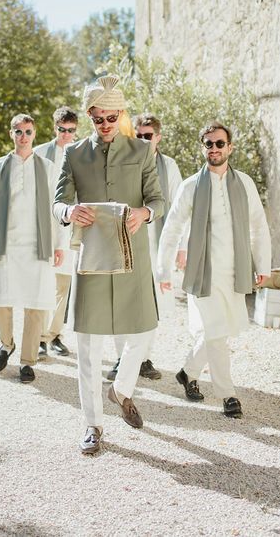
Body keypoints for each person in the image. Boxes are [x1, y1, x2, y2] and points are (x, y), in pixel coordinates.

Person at [53, 75, 164, 454]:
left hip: (135, 256)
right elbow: (57, 203)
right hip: (92, 260)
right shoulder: (74, 154)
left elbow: (158, 200)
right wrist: (69, 211)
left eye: (111, 118)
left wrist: (144, 213)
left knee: (142, 332)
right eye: (98, 118)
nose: (105, 125)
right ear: (89, 117)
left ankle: (121, 389)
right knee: (87, 345)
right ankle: (92, 425)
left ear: (120, 115)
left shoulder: (141, 151)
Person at [157, 121, 271, 418]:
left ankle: (187, 372)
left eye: (220, 143)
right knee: (216, 333)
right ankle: (228, 395)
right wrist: (163, 270)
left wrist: (264, 264)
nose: (215, 148)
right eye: (209, 144)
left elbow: (258, 225)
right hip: (202, 271)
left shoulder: (244, 183)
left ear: (229, 147)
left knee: (222, 329)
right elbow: (172, 228)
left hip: (234, 270)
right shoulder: (191, 185)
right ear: (203, 147)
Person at [0, 114, 64, 383]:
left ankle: (27, 361)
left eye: (27, 132)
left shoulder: (48, 168)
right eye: (18, 132)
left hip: (38, 245)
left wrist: (59, 244)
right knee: (1, 299)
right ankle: (6, 343)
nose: (23, 137)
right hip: (6, 245)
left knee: (35, 305)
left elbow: (56, 209)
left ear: (34, 134)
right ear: (11, 134)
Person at [107, 113, 183, 381]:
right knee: (122, 300)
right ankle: (120, 358)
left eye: (148, 136)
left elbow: (179, 208)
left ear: (158, 138)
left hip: (157, 245)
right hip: (125, 241)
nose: (142, 140)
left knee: (153, 303)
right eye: (138, 135)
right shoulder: (120, 162)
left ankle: (143, 358)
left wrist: (181, 247)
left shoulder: (169, 166)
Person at [33, 106, 79, 358]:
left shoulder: (81, 154)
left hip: (69, 227)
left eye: (71, 131)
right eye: (62, 130)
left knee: (63, 286)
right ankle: (39, 337)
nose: (66, 135)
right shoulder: (39, 153)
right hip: (43, 227)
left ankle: (55, 335)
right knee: (42, 283)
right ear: (55, 128)